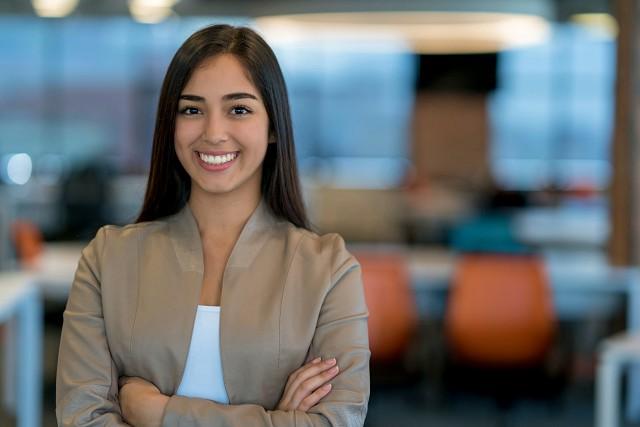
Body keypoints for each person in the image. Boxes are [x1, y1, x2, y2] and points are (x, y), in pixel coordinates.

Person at [55, 24, 370, 426]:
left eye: (238, 109)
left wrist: (160, 413)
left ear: (273, 126)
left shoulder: (328, 268)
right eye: (192, 109)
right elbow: (82, 418)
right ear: (171, 125)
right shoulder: (107, 258)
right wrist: (276, 419)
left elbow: (335, 421)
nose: (214, 133)